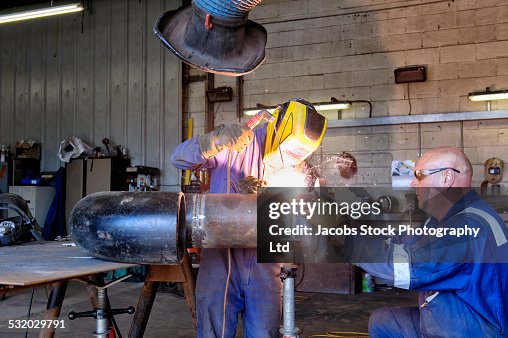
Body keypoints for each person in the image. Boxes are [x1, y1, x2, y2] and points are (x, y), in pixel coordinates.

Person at [170, 98, 327, 337]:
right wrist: (215, 140)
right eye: (288, 152)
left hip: (265, 263)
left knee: (264, 332)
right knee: (214, 332)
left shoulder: (297, 163)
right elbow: (178, 158)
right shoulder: (239, 141)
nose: (291, 161)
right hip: (222, 258)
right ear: (277, 129)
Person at [351, 146, 508, 337]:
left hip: (477, 329)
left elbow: (409, 267)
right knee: (383, 322)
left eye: (419, 175)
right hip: (453, 315)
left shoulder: (467, 226)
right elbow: (405, 242)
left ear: (446, 179)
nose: (412, 183)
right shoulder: (444, 218)